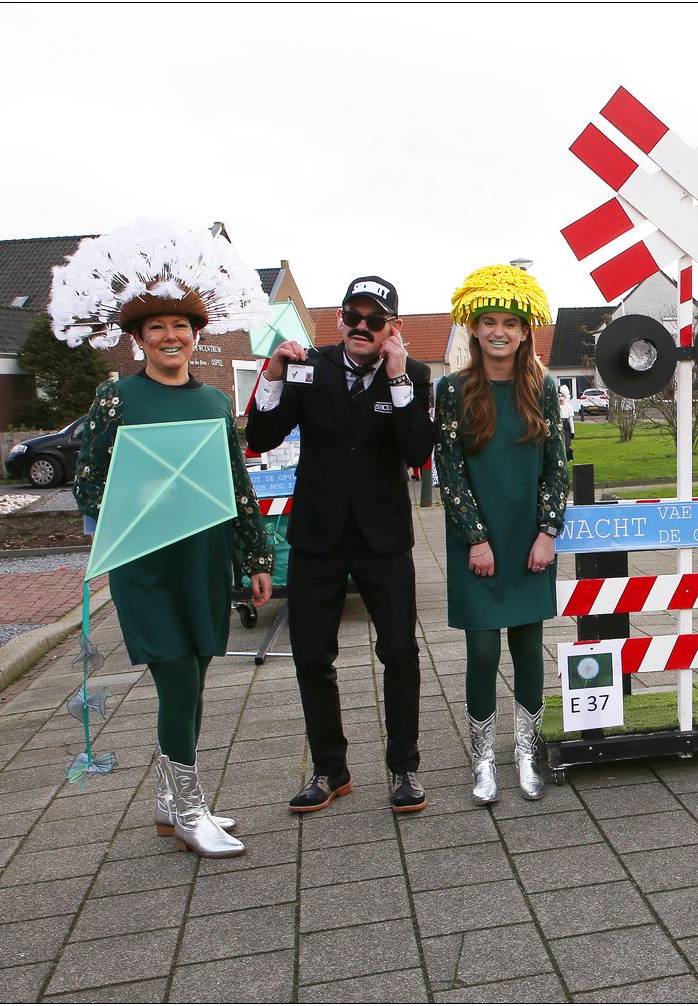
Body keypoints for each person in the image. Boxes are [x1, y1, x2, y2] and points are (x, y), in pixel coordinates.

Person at [57, 224, 275, 858]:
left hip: (204, 558)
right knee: (178, 681)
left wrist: (256, 557)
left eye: (181, 325)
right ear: (138, 338)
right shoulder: (117, 398)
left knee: (197, 677)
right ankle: (188, 809)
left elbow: (236, 484)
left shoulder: (215, 403)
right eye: (156, 327)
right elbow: (88, 482)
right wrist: (139, 507)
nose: (170, 336)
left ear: (196, 334)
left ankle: (170, 804)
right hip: (148, 561)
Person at [246, 276, 434, 814]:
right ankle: (331, 769)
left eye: (375, 320)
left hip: (382, 538)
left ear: (393, 327)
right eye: (353, 316)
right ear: (339, 319)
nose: (361, 327)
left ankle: (404, 767)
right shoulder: (309, 366)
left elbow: (416, 452)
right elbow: (260, 438)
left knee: (399, 651)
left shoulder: (414, 374)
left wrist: (398, 380)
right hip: (318, 535)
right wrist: (272, 376)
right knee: (311, 654)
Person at [436, 265, 567, 805]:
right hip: (478, 542)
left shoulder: (544, 387)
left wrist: (548, 531)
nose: (499, 331)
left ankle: (527, 751)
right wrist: (475, 538)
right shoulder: (452, 389)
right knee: (484, 651)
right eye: (489, 321)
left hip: (529, 539)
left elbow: (557, 465)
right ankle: (484, 757)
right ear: (473, 327)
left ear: (525, 330)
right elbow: (449, 469)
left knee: (529, 649)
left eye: (510, 323)